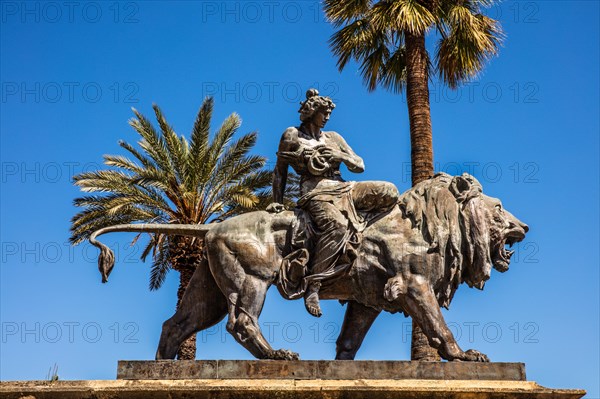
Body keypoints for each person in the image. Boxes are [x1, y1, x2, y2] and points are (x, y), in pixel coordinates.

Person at [269, 89, 399, 317]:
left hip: (344, 187)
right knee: (337, 226)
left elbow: (359, 164)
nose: (327, 117)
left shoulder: (334, 138)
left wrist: (341, 157)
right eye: (324, 112)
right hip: (316, 192)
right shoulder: (292, 135)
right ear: (311, 112)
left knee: (389, 191)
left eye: (329, 113)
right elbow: (280, 171)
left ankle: (361, 238)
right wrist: (276, 202)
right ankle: (314, 285)